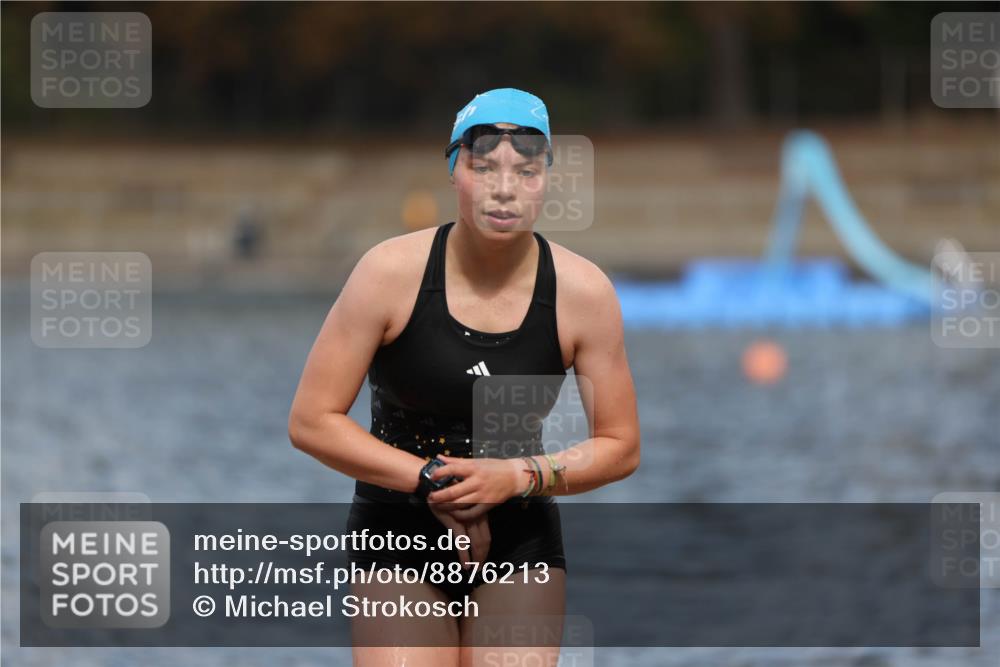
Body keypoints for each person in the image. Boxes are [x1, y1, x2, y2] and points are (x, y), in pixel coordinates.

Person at [288, 87, 640, 667]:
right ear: (454, 172)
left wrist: (518, 475)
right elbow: (311, 421)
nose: (504, 188)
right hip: (397, 534)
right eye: (484, 167)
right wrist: (430, 480)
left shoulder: (583, 294)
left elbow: (620, 445)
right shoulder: (388, 274)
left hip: (518, 538)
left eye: (526, 171)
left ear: (546, 180)